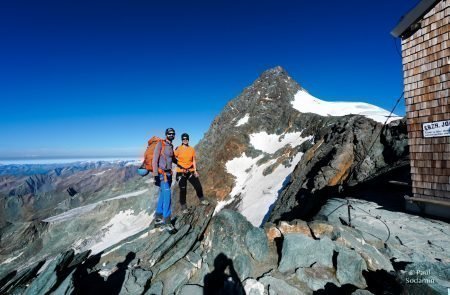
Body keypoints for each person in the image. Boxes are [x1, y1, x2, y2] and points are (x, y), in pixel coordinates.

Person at [174, 133, 209, 214]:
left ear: (188, 140)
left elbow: (193, 160)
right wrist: (179, 165)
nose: (185, 140)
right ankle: (184, 208)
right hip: (181, 172)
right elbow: (172, 157)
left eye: (186, 139)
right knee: (183, 190)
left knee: (198, 186)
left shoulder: (191, 149)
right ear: (182, 140)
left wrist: (195, 171)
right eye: (183, 139)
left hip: (190, 171)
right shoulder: (178, 149)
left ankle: (202, 199)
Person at [152, 127, 177, 233]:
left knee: (162, 196)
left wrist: (185, 165)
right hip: (162, 175)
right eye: (169, 133)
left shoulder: (171, 146)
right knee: (168, 197)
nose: (171, 135)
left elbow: (173, 159)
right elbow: (154, 160)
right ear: (166, 134)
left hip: (169, 174)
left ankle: (158, 218)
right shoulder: (160, 144)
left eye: (173, 134)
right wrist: (155, 175)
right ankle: (167, 222)